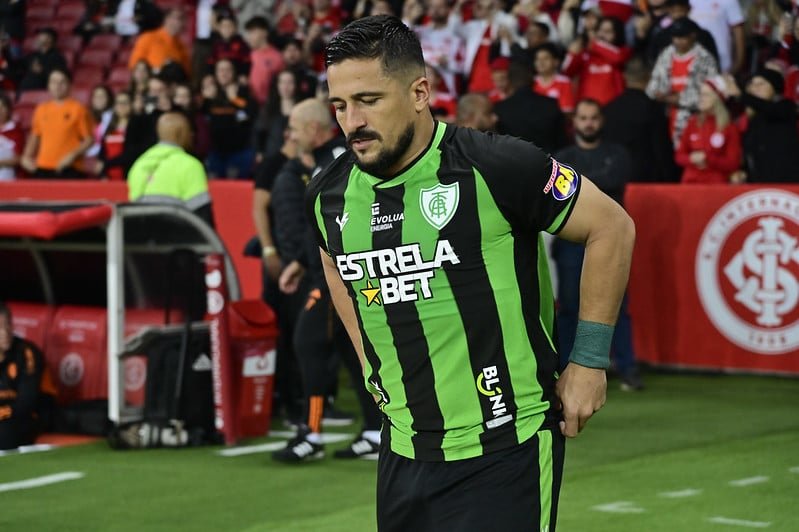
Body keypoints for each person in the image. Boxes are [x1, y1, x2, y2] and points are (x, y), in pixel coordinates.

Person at [310, 15, 635, 530]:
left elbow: (612, 226)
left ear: (420, 93)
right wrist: (370, 361)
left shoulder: (497, 165)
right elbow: (333, 262)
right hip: (403, 448)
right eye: (340, 105)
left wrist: (589, 361)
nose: (353, 121)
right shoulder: (328, 193)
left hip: (507, 446)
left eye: (369, 100)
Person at [270, 98, 381, 462]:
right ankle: (375, 428)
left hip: (338, 276)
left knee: (308, 344)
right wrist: (301, 263)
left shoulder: (335, 162)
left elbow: (337, 221)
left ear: (313, 129)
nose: (291, 135)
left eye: (295, 128)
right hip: (334, 271)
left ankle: (311, 432)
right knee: (352, 350)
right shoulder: (333, 160)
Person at [552, 99, 642, 391]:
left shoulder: (617, 155)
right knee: (569, 307)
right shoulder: (562, 157)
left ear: (601, 121)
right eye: (583, 118)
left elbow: (577, 189)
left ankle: (627, 368)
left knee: (617, 305)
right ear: (574, 122)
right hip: (570, 243)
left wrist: (578, 185)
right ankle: (565, 370)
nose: (588, 123)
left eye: (593, 118)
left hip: (609, 243)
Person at [127, 112, 214, 227]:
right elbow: (203, 216)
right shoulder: (190, 165)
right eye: (190, 131)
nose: (192, 135)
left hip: (143, 234)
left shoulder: (139, 165)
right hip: (178, 234)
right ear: (181, 134)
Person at [603, 57, 679, 182]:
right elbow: (661, 150)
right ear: (648, 77)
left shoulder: (608, 109)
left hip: (613, 178)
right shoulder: (653, 109)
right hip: (645, 181)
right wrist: (671, 179)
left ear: (624, 76)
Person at [646, 17, 718, 145]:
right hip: (666, 118)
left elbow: (713, 94)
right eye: (675, 37)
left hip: (694, 120)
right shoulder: (667, 54)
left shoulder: (705, 58)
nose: (677, 41)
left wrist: (679, 99)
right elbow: (652, 87)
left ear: (693, 35)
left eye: (682, 37)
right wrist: (660, 95)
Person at [724, 68, 799, 183]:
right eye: (753, 84)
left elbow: (771, 109)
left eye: (761, 84)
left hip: (787, 184)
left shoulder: (786, 106)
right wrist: (744, 173)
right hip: (761, 184)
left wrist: (741, 95)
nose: (755, 88)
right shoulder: (753, 119)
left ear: (774, 88)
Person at [21, 69, 95, 178]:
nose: (57, 86)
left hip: (69, 167)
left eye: (62, 82)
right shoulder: (41, 109)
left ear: (70, 85)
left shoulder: (79, 109)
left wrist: (71, 156)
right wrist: (26, 157)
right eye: (53, 82)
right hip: (43, 166)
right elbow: (35, 135)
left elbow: (89, 140)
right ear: (48, 85)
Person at [0, 302, 51, 450]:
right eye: (0, 328)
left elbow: (26, 403)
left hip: (31, 416)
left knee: (4, 432)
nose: (5, 332)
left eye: (8, 325)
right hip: (4, 416)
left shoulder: (27, 352)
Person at [674, 75, 741, 183]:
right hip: (690, 184)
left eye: (706, 95)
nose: (701, 98)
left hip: (716, 186)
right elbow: (679, 156)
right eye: (700, 94)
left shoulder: (729, 127)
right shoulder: (692, 123)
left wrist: (708, 159)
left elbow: (733, 163)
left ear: (718, 98)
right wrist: (691, 158)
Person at [494, 61, 569, 154]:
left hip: (514, 161)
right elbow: (562, 144)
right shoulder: (551, 104)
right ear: (532, 80)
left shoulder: (500, 109)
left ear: (509, 81)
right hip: (547, 159)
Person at [201, 58, 257, 179]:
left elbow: (248, 117)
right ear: (215, 74)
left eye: (228, 70)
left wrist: (234, 100)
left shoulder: (242, 91)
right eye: (220, 70)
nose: (224, 73)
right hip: (215, 151)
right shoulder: (209, 94)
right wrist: (206, 100)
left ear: (234, 73)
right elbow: (202, 119)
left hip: (239, 151)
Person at [561, 16, 632, 106]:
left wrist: (594, 44)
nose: (601, 35)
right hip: (587, 109)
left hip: (614, 107)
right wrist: (572, 54)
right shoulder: (586, 54)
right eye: (599, 30)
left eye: (608, 32)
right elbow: (566, 72)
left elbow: (618, 58)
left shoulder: (623, 51)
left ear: (617, 34)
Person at [128, 7, 191, 80]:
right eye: (177, 18)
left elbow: (186, 73)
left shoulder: (182, 46)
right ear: (166, 19)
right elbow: (134, 64)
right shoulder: (148, 38)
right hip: (150, 81)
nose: (180, 22)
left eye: (183, 19)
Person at [244, 16, 285, 106]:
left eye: (252, 32)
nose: (249, 37)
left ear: (264, 32)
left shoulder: (277, 56)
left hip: (271, 105)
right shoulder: (248, 54)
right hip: (249, 105)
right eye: (248, 33)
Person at [96, 91, 132, 180]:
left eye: (125, 103)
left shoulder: (135, 128)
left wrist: (106, 164)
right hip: (109, 177)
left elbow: (130, 154)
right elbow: (102, 153)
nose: (121, 106)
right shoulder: (110, 128)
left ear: (131, 105)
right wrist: (103, 174)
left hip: (127, 175)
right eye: (119, 103)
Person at [18, 28, 67, 92]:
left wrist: (42, 71)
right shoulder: (33, 55)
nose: (37, 39)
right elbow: (18, 66)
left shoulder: (57, 58)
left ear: (50, 39)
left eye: (41, 37)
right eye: (38, 37)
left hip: (42, 92)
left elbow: (59, 77)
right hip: (23, 90)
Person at [533, 42, 577, 115]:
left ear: (556, 62)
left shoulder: (564, 82)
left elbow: (567, 111)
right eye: (538, 59)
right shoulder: (530, 82)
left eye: (545, 58)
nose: (541, 62)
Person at [0, 92, 23, 181]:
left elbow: (19, 159)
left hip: (7, 177)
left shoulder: (16, 131)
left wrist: (2, 163)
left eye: (3, 107)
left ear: (9, 110)